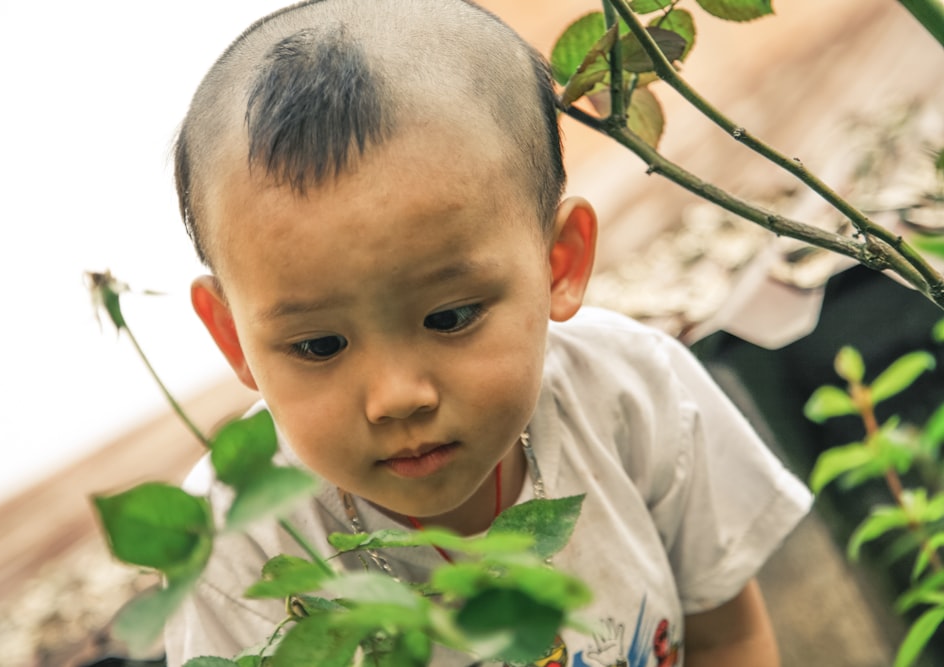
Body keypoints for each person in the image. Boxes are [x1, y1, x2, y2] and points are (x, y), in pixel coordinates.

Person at [164, 0, 812, 665]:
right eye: (319, 345)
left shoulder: (633, 393)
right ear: (233, 337)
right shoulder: (237, 551)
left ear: (558, 262)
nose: (397, 396)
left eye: (449, 316)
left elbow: (727, 637)